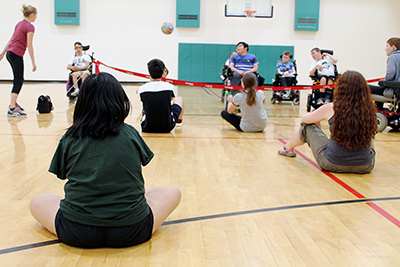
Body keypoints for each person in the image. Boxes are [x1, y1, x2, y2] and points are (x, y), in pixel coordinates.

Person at [29, 72, 181, 248]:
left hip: (76, 231)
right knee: (172, 191)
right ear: (119, 101)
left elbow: (61, 174)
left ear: (83, 103)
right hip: (133, 230)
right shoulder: (130, 133)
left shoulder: (70, 137)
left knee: (38, 200)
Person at [278, 70, 377, 174]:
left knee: (307, 127)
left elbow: (304, 119)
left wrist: (317, 118)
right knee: (366, 129)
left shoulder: (332, 107)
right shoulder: (369, 110)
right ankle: (360, 158)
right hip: (365, 166)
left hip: (332, 163)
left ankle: (288, 148)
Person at [0, 5, 37, 117]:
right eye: (36, 15)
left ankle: (13, 103)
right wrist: (33, 62)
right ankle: (12, 108)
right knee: (19, 80)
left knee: (17, 79)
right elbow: (29, 45)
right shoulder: (30, 26)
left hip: (10, 53)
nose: (36, 17)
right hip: (16, 54)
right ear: (31, 15)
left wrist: (3, 53)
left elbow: (11, 39)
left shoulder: (19, 24)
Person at [138, 59, 184, 133]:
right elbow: (171, 98)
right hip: (167, 127)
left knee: (146, 107)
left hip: (146, 127)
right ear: (163, 72)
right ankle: (179, 122)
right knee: (179, 99)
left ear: (149, 72)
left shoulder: (142, 89)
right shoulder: (170, 87)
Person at [369, 37, 400, 109]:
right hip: (397, 91)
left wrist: (384, 81)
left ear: (393, 47)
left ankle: (376, 110)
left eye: (387, 46)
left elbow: (390, 74)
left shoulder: (393, 57)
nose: (385, 49)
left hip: (393, 90)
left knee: (366, 87)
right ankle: (379, 110)